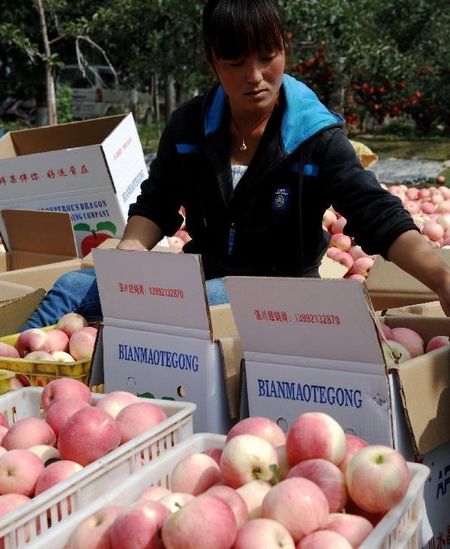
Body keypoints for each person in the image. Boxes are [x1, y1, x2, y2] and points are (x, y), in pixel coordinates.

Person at [21, 0, 450, 330]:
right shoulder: (189, 128)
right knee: (72, 288)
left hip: (283, 295)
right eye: (236, 63)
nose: (255, 76)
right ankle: (17, 368)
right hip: (204, 280)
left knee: (209, 297)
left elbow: (376, 213)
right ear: (212, 60)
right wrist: (129, 254)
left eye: (267, 57)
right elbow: (157, 203)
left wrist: (441, 275)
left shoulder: (315, 137)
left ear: (285, 47)